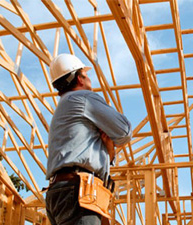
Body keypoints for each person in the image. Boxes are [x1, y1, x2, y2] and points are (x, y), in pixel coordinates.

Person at [45, 53, 132, 225]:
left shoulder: (64, 106)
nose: (89, 79)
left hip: (59, 192)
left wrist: (109, 150)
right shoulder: (83, 98)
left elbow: (83, 153)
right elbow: (124, 131)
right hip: (78, 192)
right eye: (86, 74)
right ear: (79, 78)